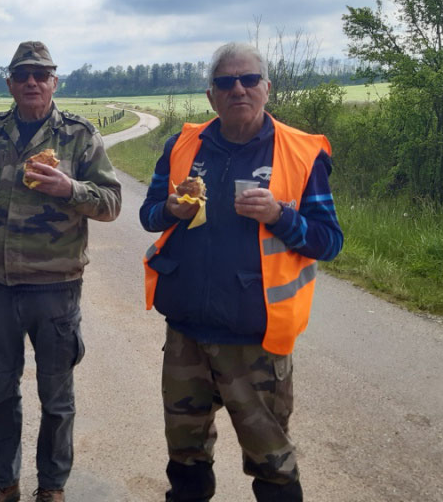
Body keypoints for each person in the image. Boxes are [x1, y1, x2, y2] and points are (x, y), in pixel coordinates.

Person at [140, 42, 344, 502]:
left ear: (266, 89)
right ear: (211, 95)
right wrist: (169, 209)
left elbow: (330, 241)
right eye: (226, 82)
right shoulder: (182, 145)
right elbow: (149, 214)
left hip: (256, 341)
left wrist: (279, 216)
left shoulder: (299, 152)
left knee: (272, 466)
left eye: (249, 79)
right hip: (187, 334)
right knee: (185, 459)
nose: (238, 89)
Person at [0, 41, 122, 502]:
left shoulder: (80, 135)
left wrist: (69, 189)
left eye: (40, 75)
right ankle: (2, 483)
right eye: (22, 74)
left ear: (54, 83)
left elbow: (112, 204)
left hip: (56, 288)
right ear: (9, 82)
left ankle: (52, 487)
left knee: (56, 398)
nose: (31, 82)